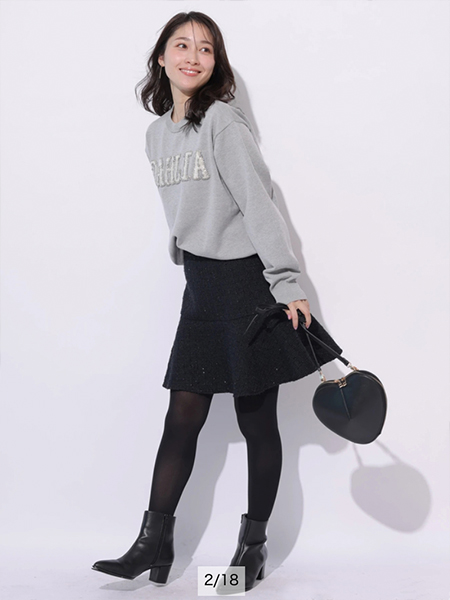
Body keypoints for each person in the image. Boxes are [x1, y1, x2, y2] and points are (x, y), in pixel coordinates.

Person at [91, 11, 343, 592]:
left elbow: (258, 203)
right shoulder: (156, 135)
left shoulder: (223, 121)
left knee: (257, 420)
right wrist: (183, 248)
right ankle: (153, 542)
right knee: (182, 415)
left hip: (247, 285)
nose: (193, 56)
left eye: (205, 49)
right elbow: (183, 207)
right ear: (161, 57)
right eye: (182, 45)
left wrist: (286, 281)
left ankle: (251, 549)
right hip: (202, 288)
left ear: (215, 62)